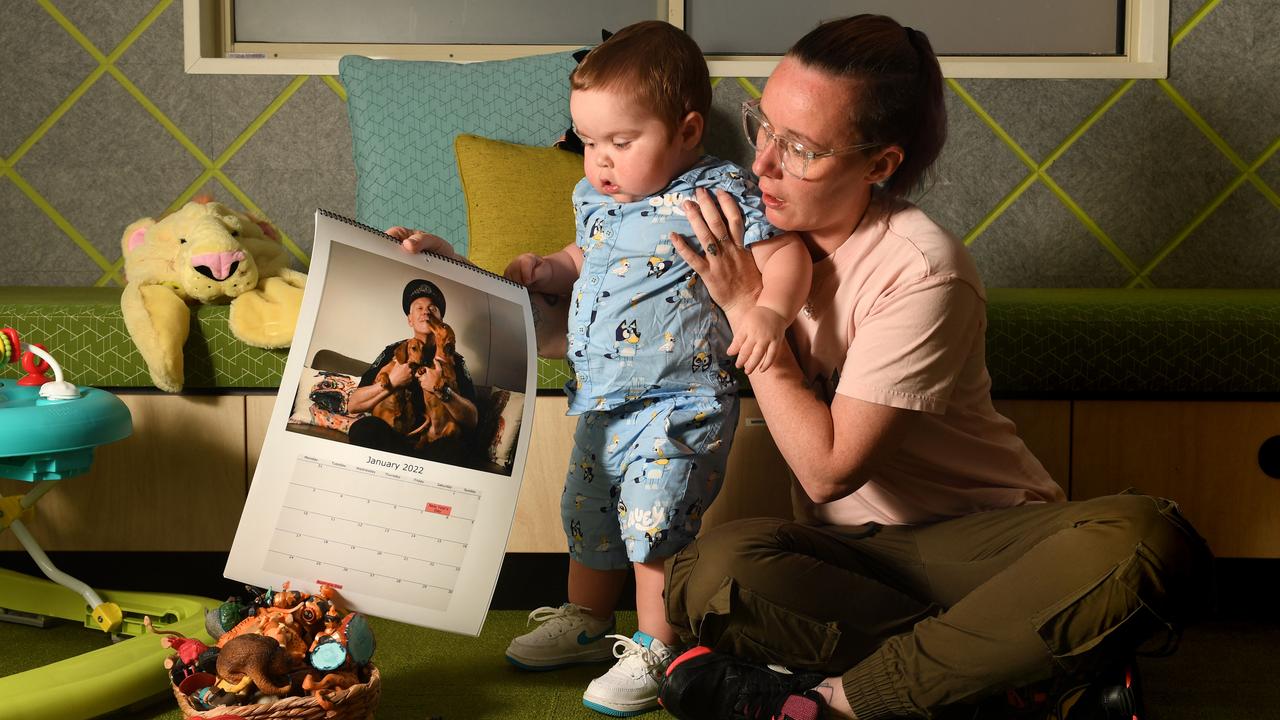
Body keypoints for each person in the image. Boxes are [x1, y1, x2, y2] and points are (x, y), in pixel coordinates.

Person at [643, 14, 1215, 720]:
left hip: (982, 549)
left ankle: (840, 700)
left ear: (879, 164)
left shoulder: (920, 269)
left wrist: (747, 311)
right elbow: (607, 327)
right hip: (851, 557)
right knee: (708, 575)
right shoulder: (743, 232)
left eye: (800, 149)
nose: (761, 162)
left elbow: (828, 468)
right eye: (763, 122)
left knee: (1147, 540)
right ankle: (1017, 677)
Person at [397, 20, 812, 717]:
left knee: (655, 523)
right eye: (588, 142)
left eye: (621, 143)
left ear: (684, 131)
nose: (601, 161)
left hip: (679, 400)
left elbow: (784, 255)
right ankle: (588, 623)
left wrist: (768, 314)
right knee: (588, 514)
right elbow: (581, 258)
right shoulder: (597, 200)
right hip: (598, 398)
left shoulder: (719, 192)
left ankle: (659, 645)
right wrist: (546, 266)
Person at [346, 279, 479, 465]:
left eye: (432, 308)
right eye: (419, 307)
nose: (426, 311)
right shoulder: (393, 352)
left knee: (457, 449)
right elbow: (353, 404)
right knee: (363, 429)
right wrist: (392, 381)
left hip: (434, 447)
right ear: (410, 319)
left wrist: (443, 392)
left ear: (439, 321)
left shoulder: (454, 360)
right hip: (392, 441)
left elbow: (472, 419)